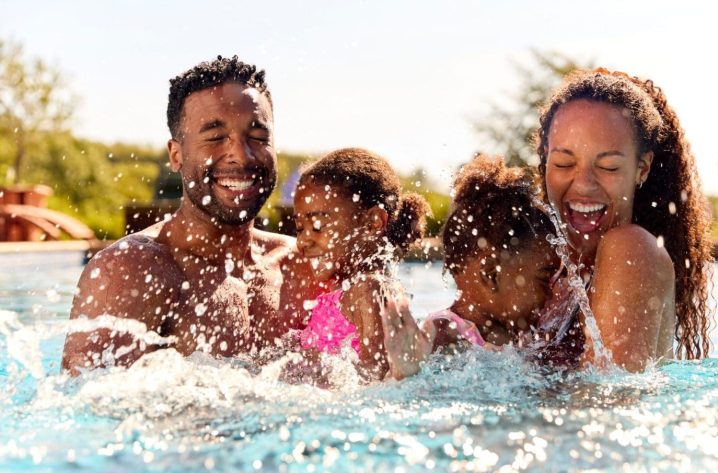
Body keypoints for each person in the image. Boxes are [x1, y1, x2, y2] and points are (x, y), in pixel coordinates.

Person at [61, 56, 315, 375]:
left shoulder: (303, 265)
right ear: (176, 154)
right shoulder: (131, 271)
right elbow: (89, 411)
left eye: (258, 137)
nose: (241, 154)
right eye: (215, 137)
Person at [534, 68, 714, 371]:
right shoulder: (549, 265)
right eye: (564, 163)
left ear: (642, 168)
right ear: (545, 158)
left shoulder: (631, 249)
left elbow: (609, 402)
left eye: (608, 167)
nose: (583, 184)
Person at [382, 155, 563, 379]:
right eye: (544, 279)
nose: (551, 292)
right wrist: (407, 374)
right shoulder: (443, 335)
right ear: (491, 274)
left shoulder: (522, 337)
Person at [287, 147, 430, 382]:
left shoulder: (367, 289)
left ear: (373, 222)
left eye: (318, 226)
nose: (303, 241)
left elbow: (376, 378)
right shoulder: (352, 289)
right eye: (300, 228)